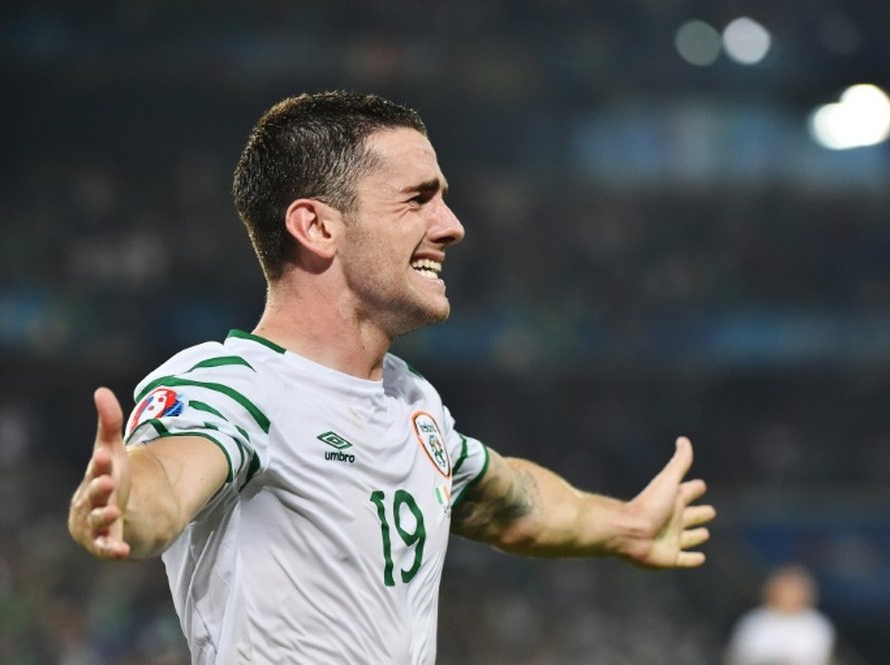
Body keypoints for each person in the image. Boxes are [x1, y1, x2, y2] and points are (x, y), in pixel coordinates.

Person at [67, 90, 715, 664]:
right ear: (317, 226)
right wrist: (122, 504)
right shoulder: (237, 386)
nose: (452, 226)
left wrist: (625, 524)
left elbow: (510, 499)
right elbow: (166, 481)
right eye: (418, 200)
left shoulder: (412, 403)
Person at [724, 564, 836, 665]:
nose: (790, 595)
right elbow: (738, 657)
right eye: (787, 588)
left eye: (796, 589)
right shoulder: (753, 621)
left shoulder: (817, 625)